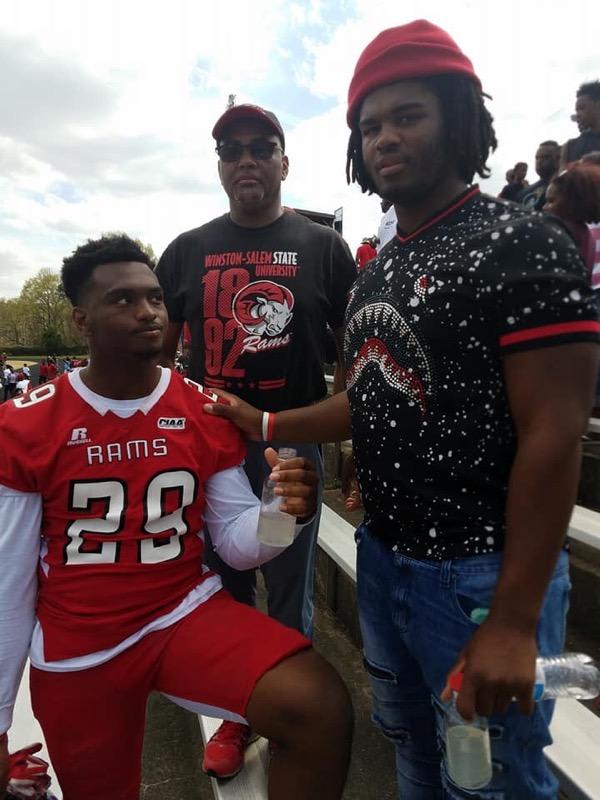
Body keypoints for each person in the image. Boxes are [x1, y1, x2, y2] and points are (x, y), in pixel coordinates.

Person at [205, 19, 600, 799]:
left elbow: (554, 437)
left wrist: (515, 621)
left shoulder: (521, 241)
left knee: (495, 779)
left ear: (459, 118)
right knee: (417, 755)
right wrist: (268, 424)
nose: (384, 138)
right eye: (370, 125)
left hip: (480, 575)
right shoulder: (383, 268)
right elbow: (373, 398)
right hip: (387, 562)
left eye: (407, 117)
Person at [0, 234, 353, 800]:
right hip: (81, 642)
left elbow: (238, 546)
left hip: (181, 613)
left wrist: (280, 513)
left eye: (155, 298)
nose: (147, 312)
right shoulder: (25, 425)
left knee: (317, 704)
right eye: (122, 300)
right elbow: (8, 584)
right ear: (79, 320)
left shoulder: (200, 408)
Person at [155, 103, 356, 776]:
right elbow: (156, 352)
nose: (246, 159)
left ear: (283, 161)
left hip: (290, 447)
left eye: (260, 147)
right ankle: (236, 715)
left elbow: (353, 351)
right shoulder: (186, 249)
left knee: (289, 588)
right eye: (233, 149)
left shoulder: (323, 246)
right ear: (219, 167)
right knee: (220, 587)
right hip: (207, 451)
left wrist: (343, 429)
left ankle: (282, 712)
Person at [560, 80, 600, 170]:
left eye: (582, 108)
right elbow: (561, 180)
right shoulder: (570, 146)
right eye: (576, 110)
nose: (578, 114)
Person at [521, 140, 561, 210]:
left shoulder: (565, 189)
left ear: (558, 159)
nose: (539, 161)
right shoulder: (524, 192)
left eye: (545, 157)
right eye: (537, 158)